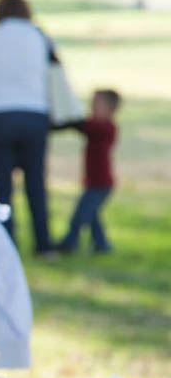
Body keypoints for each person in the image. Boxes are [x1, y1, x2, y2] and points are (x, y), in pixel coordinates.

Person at [0, 0, 55, 254]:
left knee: (2, 184)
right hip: (34, 112)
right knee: (36, 181)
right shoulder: (39, 37)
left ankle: (6, 242)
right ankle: (43, 244)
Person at [57, 89, 121, 254]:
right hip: (95, 182)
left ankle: (70, 243)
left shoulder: (106, 128)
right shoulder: (98, 126)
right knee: (92, 216)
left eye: (96, 104)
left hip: (100, 183)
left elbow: (82, 126)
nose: (91, 107)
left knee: (81, 215)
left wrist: (65, 118)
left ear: (110, 108)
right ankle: (102, 245)